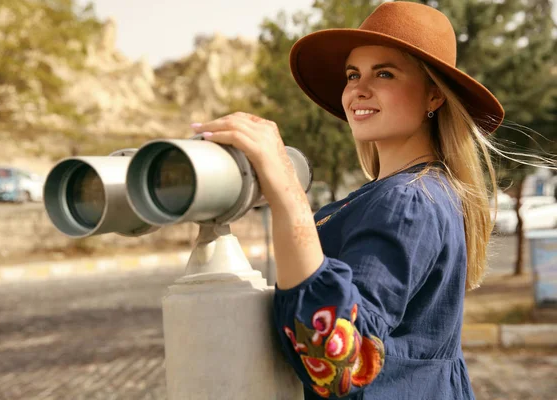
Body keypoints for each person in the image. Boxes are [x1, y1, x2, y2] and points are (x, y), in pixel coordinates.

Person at [191, 2, 504, 399]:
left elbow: (338, 356)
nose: (359, 88)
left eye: (384, 73)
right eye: (353, 74)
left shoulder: (409, 201)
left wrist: (284, 186)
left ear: (434, 96)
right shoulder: (421, 191)